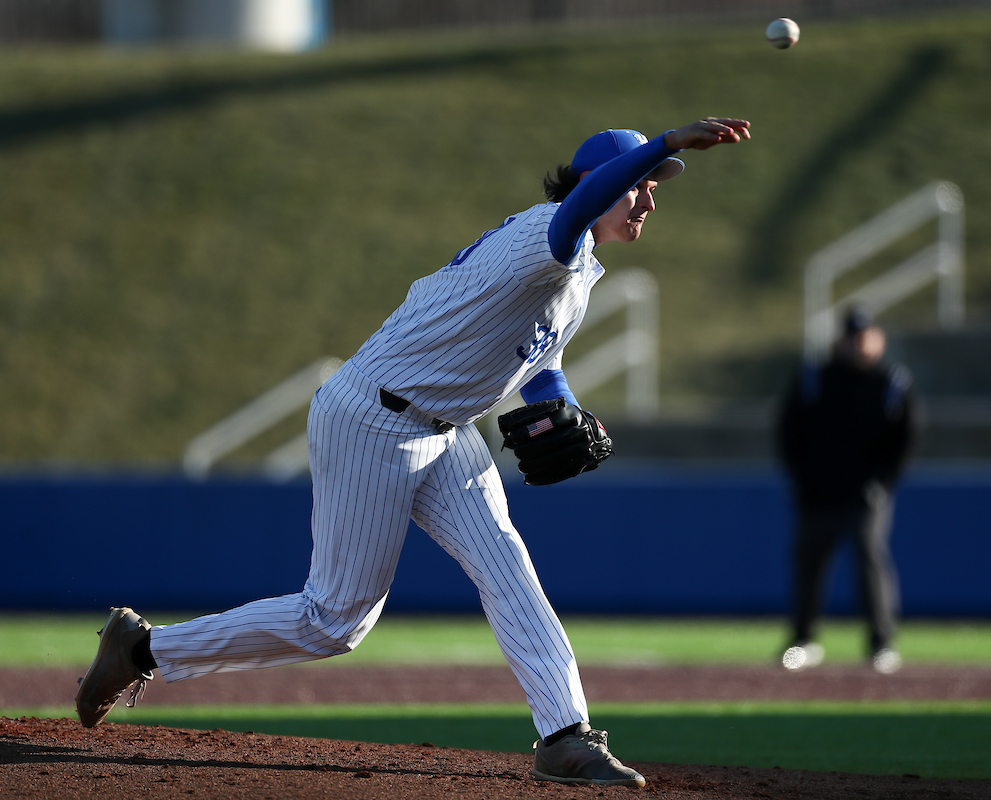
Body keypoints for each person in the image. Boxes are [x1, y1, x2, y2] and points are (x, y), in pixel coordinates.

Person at [74, 117, 752, 787]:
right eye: (641, 185)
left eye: (656, 184)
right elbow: (575, 209)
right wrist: (663, 143)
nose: (651, 197)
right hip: (374, 418)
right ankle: (141, 649)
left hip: (446, 429)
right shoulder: (548, 235)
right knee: (334, 622)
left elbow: (541, 364)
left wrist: (563, 405)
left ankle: (566, 736)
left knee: (507, 567)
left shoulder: (577, 271)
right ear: (600, 186)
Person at [775, 306, 922, 675]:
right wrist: (802, 479)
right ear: (840, 341)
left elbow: (906, 439)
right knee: (810, 564)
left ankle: (881, 644)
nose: (859, 344)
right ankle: (802, 640)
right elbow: (788, 431)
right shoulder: (815, 379)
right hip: (818, 492)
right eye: (852, 337)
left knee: (870, 561)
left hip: (865, 494)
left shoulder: (891, 383)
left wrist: (881, 482)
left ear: (878, 339)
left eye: (865, 336)